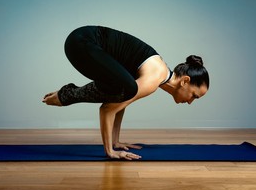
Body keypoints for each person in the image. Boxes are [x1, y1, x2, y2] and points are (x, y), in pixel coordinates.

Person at [43, 26, 209, 160]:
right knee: (128, 90)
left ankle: (67, 94)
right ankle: (67, 95)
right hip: (81, 42)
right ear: (185, 81)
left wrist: (116, 141)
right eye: (194, 95)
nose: (190, 101)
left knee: (126, 90)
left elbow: (121, 100)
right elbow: (107, 109)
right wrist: (110, 151)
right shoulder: (155, 77)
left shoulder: (159, 73)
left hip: (82, 40)